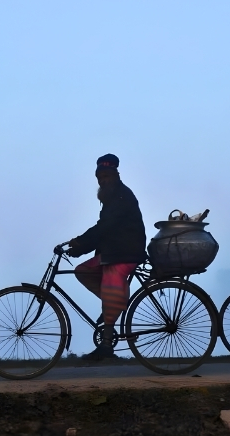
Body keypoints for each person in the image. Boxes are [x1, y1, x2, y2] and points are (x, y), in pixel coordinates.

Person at [65, 154, 147, 360]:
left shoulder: (122, 196)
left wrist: (80, 242)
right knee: (83, 270)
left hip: (126, 253)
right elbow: (103, 232)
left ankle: (107, 345)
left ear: (116, 175)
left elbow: (104, 228)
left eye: (106, 176)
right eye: (99, 177)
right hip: (114, 252)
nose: (102, 181)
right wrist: (78, 248)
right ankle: (114, 302)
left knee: (111, 281)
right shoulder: (111, 199)